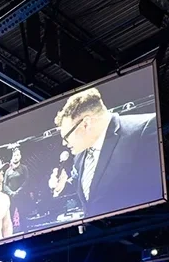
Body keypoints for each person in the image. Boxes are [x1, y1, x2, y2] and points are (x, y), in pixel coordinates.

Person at [46, 85, 159, 218]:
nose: (64, 143)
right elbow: (90, 189)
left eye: (66, 137)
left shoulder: (145, 128)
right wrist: (64, 185)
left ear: (86, 124)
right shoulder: (80, 154)